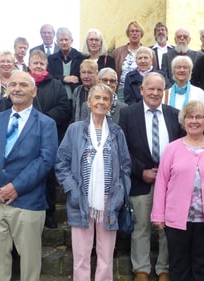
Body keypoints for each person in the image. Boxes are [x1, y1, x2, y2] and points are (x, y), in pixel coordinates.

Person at [0, 71, 58, 281]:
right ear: (7, 89)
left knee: (30, 261)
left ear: (34, 90)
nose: (17, 88)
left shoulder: (46, 123)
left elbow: (45, 160)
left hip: (27, 202)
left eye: (23, 84)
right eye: (13, 84)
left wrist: (16, 186)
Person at [55, 83, 131, 281]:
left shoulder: (117, 132)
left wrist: (121, 193)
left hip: (109, 201)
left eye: (106, 99)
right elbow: (61, 162)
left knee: (106, 255)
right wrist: (71, 189)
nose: (101, 102)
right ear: (89, 103)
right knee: (81, 255)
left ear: (110, 105)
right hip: (81, 199)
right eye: (97, 98)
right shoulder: (75, 130)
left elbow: (125, 166)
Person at [151, 100, 204, 281]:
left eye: (199, 117)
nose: (194, 121)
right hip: (177, 218)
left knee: (203, 266)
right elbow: (161, 182)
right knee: (179, 266)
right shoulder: (172, 149)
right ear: (184, 120)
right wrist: (158, 214)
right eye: (190, 117)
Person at [118, 72, 183, 281]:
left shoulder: (174, 114)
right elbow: (123, 148)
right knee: (141, 227)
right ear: (141, 90)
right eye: (151, 89)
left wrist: (171, 171)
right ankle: (142, 269)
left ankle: (164, 268)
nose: (155, 93)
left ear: (163, 92)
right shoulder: (128, 114)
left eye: (159, 89)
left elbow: (182, 148)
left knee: (168, 228)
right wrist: (141, 171)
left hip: (171, 183)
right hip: (141, 180)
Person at [28, 49, 72, 228]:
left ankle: (49, 214)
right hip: (27, 139)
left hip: (49, 138)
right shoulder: (24, 84)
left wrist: (44, 119)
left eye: (41, 63)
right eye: (35, 63)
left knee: (48, 177)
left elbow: (64, 108)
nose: (38, 66)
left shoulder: (56, 85)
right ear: (29, 65)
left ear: (46, 66)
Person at [113, 21, 146, 100]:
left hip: (142, 90)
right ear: (128, 34)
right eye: (132, 31)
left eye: (137, 31)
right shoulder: (118, 52)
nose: (134, 33)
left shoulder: (149, 52)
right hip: (122, 90)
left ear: (141, 34)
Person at [48, 27, 86, 94]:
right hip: (57, 96)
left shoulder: (81, 58)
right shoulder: (52, 59)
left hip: (76, 96)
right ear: (57, 42)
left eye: (66, 39)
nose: (64, 42)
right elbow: (49, 77)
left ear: (71, 41)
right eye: (61, 40)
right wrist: (64, 78)